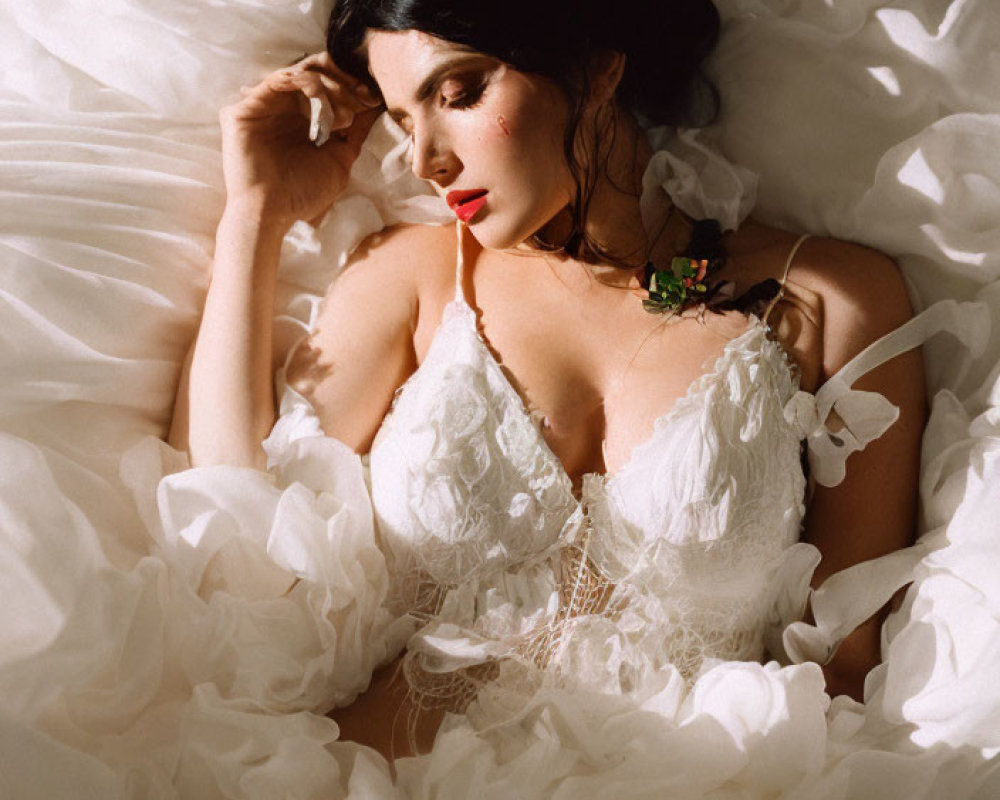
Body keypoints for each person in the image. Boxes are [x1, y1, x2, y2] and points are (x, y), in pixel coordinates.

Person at [168, 0, 926, 763]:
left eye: (459, 94)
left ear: (597, 63)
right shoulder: (417, 276)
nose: (426, 159)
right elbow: (228, 516)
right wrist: (255, 211)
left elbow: (845, 668)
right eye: (402, 120)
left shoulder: (834, 300)